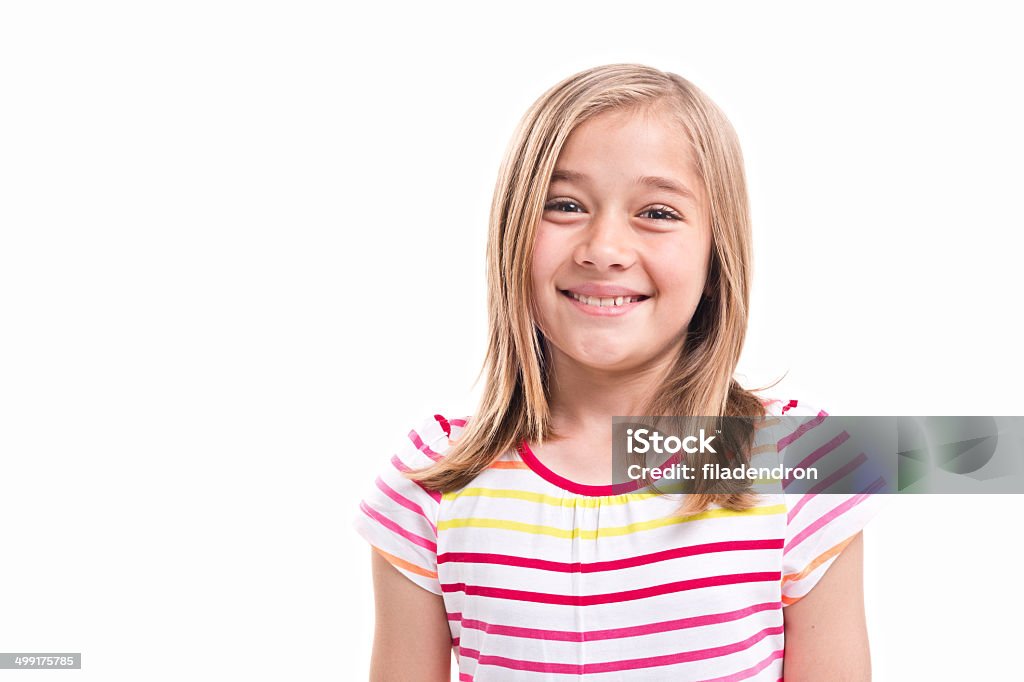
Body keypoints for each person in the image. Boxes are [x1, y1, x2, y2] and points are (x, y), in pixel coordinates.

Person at [354, 63, 882, 681]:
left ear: (718, 253)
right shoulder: (432, 478)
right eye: (565, 205)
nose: (604, 248)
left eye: (656, 213)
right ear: (510, 233)